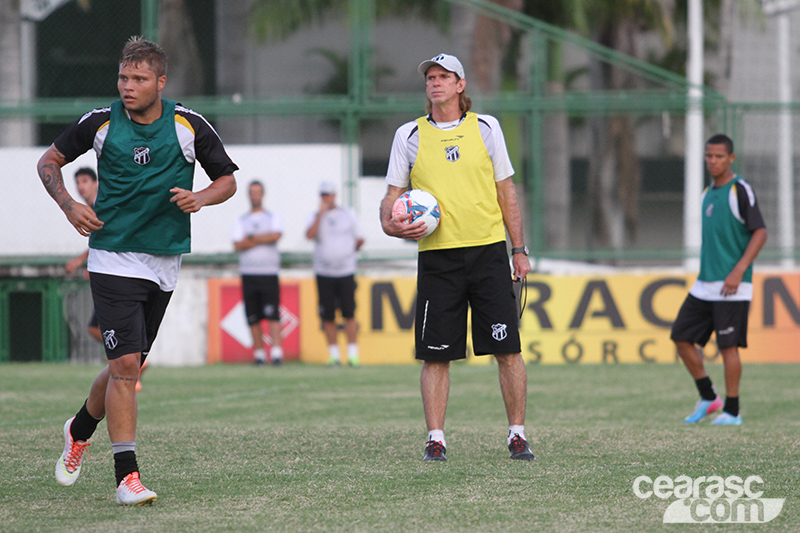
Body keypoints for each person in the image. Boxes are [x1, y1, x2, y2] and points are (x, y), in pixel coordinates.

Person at [38, 36, 237, 505]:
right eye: (123, 78)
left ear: (161, 82)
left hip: (164, 258)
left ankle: (79, 427)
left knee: (128, 362)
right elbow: (49, 161)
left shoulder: (188, 124)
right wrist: (68, 204)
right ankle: (127, 477)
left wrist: (201, 199)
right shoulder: (101, 122)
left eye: (139, 79)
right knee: (126, 366)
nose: (128, 86)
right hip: (111, 254)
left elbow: (226, 178)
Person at [380, 53, 534, 462]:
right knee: (436, 355)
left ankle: (517, 435)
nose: (435, 83)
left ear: (460, 84)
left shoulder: (486, 128)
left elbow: (506, 191)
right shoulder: (408, 136)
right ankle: (436, 439)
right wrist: (392, 226)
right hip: (437, 258)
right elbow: (391, 199)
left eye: (444, 76)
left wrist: (518, 250)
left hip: (487, 253)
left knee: (508, 350)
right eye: (430, 77)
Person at [671, 134, 767, 426]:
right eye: (709, 156)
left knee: (728, 348)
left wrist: (739, 270)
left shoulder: (740, 191)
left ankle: (733, 412)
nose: (713, 161)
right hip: (705, 284)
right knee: (681, 336)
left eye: (719, 156)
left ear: (731, 159)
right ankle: (709, 396)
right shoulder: (706, 193)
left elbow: (760, 232)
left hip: (732, 287)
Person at [305, 181, 365, 366]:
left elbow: (360, 239)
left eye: (329, 195)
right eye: (323, 195)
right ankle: (334, 355)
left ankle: (353, 355)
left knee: (349, 313)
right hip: (324, 272)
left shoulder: (348, 214)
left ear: (335, 195)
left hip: (345, 271)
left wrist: (345, 254)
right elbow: (310, 235)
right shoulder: (315, 216)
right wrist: (321, 213)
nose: (326, 198)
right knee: (327, 315)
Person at [232, 180, 284, 366]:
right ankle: (259, 354)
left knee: (272, 314)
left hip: (268, 272)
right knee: (253, 316)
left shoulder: (272, 217)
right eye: (252, 192)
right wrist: (263, 238)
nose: (255, 195)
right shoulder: (242, 220)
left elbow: (276, 236)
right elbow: (238, 244)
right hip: (248, 273)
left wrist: (252, 238)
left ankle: (277, 353)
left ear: (263, 194)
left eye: (258, 192)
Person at [64, 167, 103, 344]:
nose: (80, 186)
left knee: (98, 328)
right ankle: (126, 360)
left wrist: (82, 260)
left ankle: (132, 358)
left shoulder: (102, 205)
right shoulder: (90, 208)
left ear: (95, 184)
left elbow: (107, 237)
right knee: (97, 328)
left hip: (116, 271)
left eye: (85, 181)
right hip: (105, 270)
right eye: (78, 182)